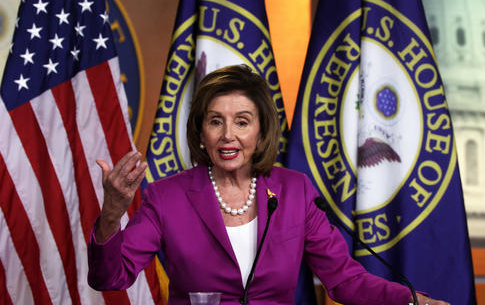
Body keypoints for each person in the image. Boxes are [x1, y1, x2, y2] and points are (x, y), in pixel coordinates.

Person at [88, 64, 448, 305]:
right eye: (216, 121)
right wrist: (112, 213)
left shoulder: (295, 191)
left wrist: (413, 300)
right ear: (201, 131)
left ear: (260, 132)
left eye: (242, 122)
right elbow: (109, 277)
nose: (228, 135)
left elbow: (344, 279)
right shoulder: (167, 197)